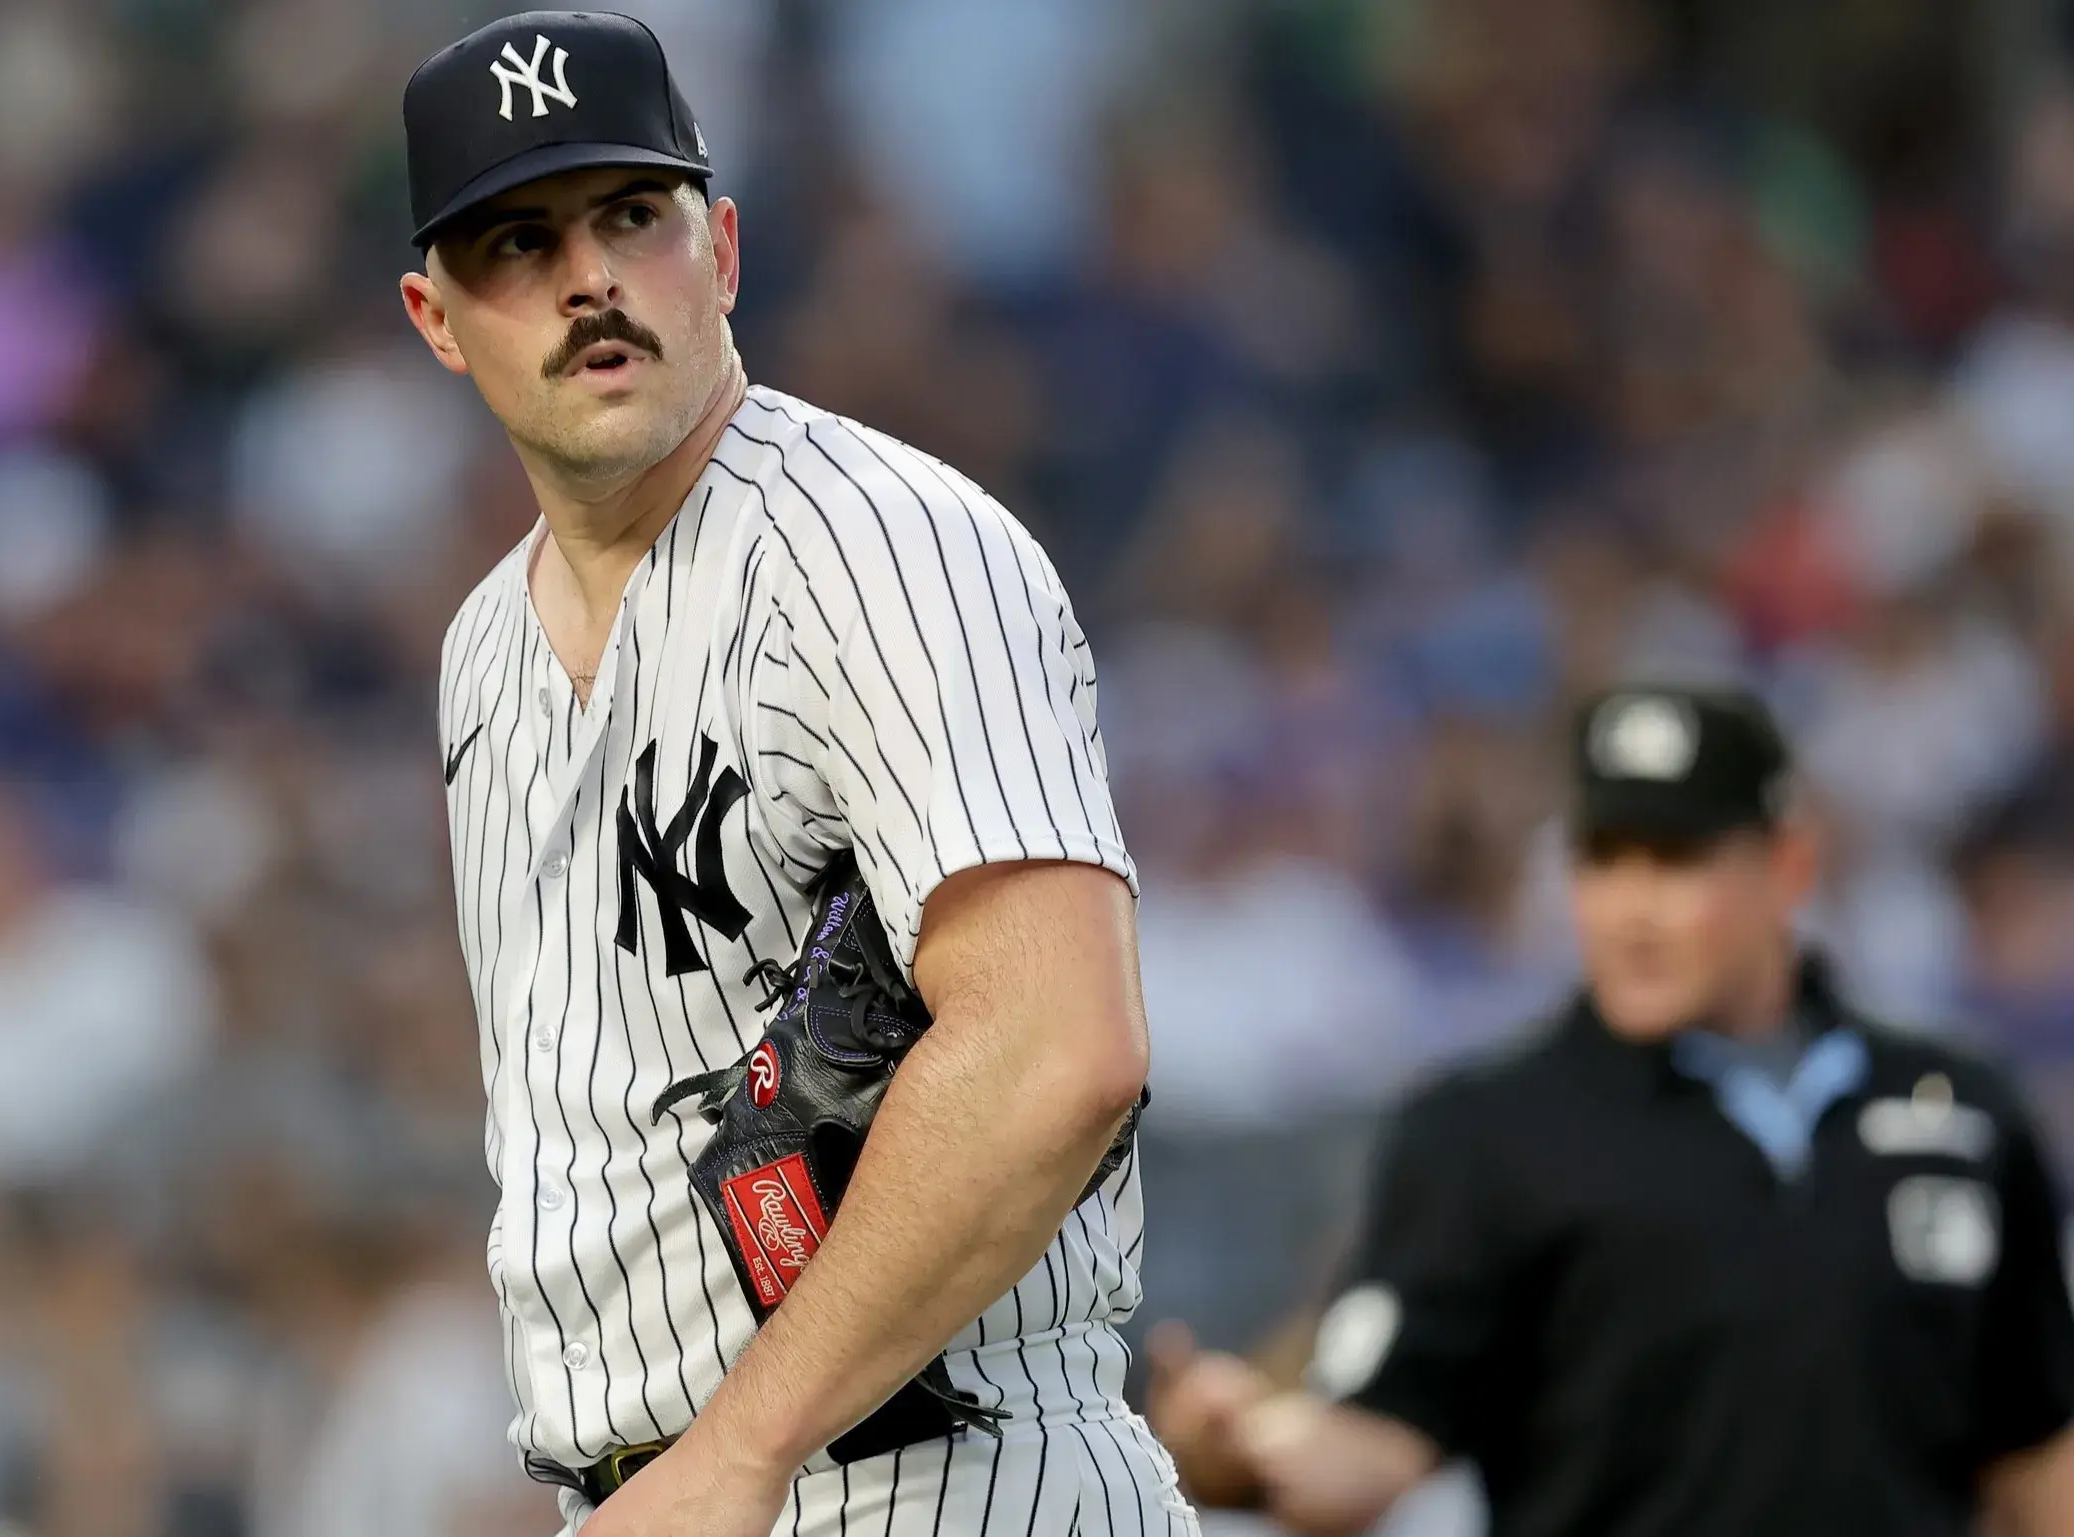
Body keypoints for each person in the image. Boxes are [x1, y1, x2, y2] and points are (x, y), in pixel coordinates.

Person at [396, 12, 1189, 1535]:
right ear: (438, 319)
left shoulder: (878, 546)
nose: (589, 279)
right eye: (518, 242)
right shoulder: (482, 652)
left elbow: (1058, 1044)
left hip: (941, 1477)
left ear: (725, 250)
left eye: (633, 215)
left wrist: (736, 1446)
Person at [1151, 685, 2074, 1537]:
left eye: (1674, 861)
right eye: (1603, 859)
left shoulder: (1959, 1107)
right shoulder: (1485, 1127)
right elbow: (1374, 1436)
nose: (1630, 908)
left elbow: (2035, 1451)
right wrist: (1237, 1454)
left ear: (1787, 863)